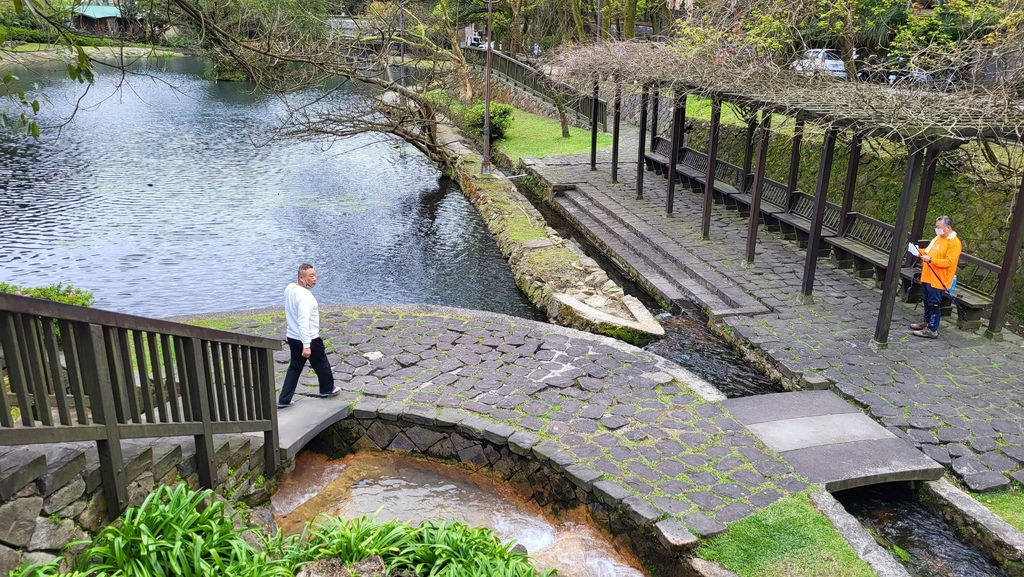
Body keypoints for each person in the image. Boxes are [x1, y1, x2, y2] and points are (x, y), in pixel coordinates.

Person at [278, 263, 339, 408]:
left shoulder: (290, 289)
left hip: (293, 337)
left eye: (315, 275)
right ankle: (327, 389)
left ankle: (284, 399)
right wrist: (306, 346)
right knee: (322, 363)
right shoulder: (305, 297)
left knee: (294, 367)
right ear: (301, 278)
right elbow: (303, 322)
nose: (315, 279)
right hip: (309, 338)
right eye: (311, 276)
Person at [911, 216, 961, 339]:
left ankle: (932, 329)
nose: (936, 229)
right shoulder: (938, 238)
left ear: (948, 227)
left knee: (934, 304)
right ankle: (926, 321)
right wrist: (917, 251)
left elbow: (949, 262)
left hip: (939, 278)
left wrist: (932, 260)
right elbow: (929, 252)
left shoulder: (954, 242)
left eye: (938, 227)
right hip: (928, 275)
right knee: (926, 300)